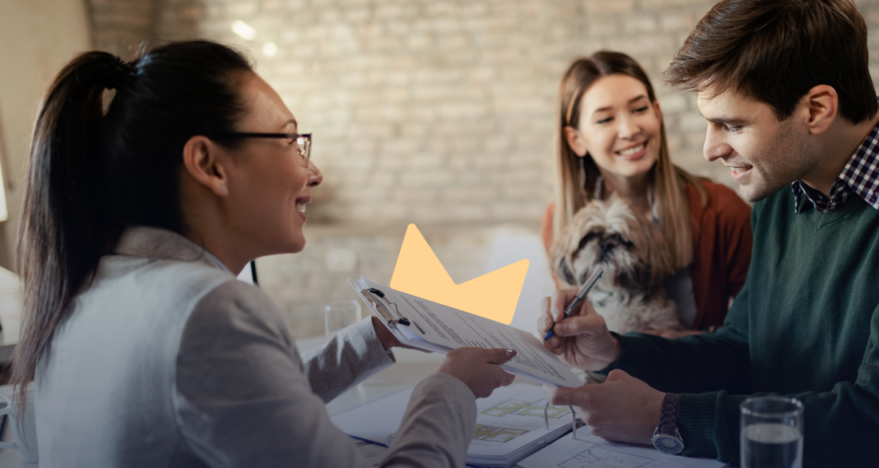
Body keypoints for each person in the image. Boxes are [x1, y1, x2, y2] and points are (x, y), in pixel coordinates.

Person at [537, 0, 879, 467]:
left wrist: (668, 417)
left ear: (816, 109)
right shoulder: (784, 190)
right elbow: (745, 351)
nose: (710, 150)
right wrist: (617, 350)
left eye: (731, 125)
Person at [11, 40, 517, 468]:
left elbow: (243, 406)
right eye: (290, 140)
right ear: (209, 164)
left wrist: (379, 332)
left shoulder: (93, 284)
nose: (313, 172)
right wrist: (451, 389)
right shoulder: (208, 308)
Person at [541, 51, 752, 337]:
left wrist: (686, 343)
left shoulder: (721, 210)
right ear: (576, 140)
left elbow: (761, 330)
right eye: (605, 119)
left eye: (639, 109)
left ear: (657, 113)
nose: (629, 130)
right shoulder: (559, 219)